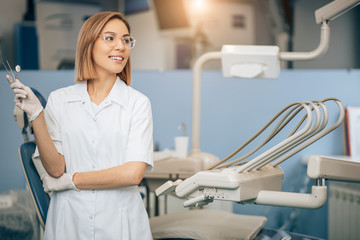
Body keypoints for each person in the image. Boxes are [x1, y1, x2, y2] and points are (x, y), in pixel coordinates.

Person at [9, 12, 153, 239]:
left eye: (126, 40)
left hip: (119, 222)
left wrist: (72, 180)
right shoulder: (60, 100)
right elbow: (55, 169)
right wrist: (37, 115)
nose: (121, 46)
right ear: (89, 43)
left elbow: (133, 174)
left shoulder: (137, 103)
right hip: (69, 220)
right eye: (110, 38)